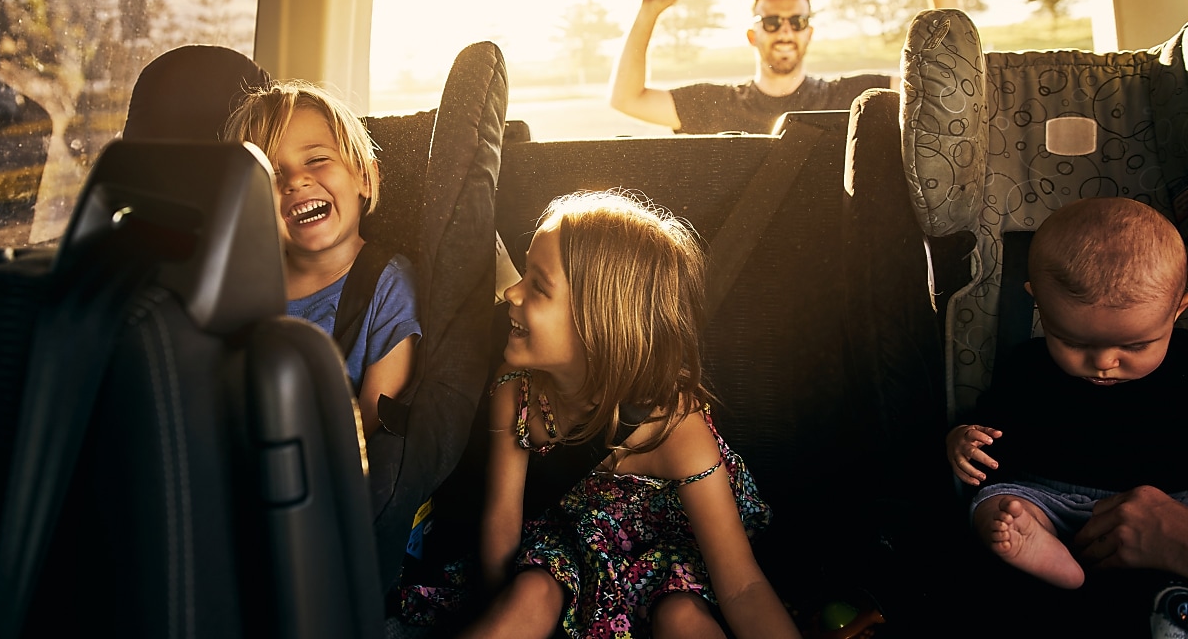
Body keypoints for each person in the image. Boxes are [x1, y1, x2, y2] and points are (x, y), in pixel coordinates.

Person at [460, 189, 800, 639]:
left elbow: (742, 585)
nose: (511, 291)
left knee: (679, 616)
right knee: (531, 593)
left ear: (598, 325)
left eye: (538, 286)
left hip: (673, 553)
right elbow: (502, 524)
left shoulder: (675, 427)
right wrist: (498, 608)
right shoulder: (516, 391)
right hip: (574, 546)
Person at [945, 197, 1188, 591]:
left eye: (1137, 346)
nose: (1105, 363)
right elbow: (992, 429)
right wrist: (962, 438)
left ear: (1177, 312)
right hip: (1049, 499)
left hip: (1170, 505)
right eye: (1072, 342)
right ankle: (1043, 551)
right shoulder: (1028, 366)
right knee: (997, 505)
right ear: (1038, 302)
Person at [222, 79, 421, 440]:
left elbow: (374, 418)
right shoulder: (238, 286)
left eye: (316, 160)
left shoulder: (386, 284)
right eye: (272, 173)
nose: (296, 181)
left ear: (364, 176)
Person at [609, 0, 959, 134]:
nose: (786, 31)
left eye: (797, 21)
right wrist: (649, 12)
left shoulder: (855, 97)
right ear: (752, 34)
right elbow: (628, 98)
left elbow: (946, 83)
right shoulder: (715, 105)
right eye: (772, 22)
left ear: (810, 33)